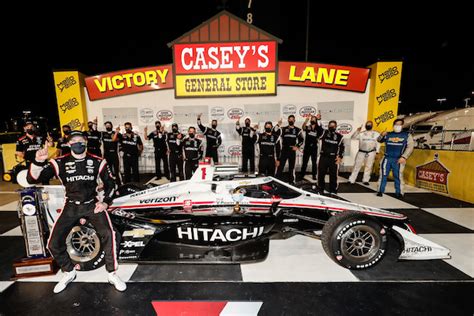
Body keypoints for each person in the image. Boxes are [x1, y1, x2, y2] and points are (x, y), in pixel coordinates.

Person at [26, 130, 126, 293]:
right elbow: (32, 180)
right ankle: (69, 271)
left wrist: (106, 203)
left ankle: (112, 273)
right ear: (69, 144)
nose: (77, 143)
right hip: (71, 205)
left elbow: (110, 185)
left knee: (111, 234)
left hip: (92, 204)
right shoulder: (59, 162)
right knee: (53, 242)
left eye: (80, 140)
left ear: (85, 142)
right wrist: (37, 161)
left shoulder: (97, 161)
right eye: (73, 140)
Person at [377, 118, 414, 197]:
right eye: (396, 124)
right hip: (387, 158)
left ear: (402, 125)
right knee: (383, 175)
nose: (397, 126)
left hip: (399, 159)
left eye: (399, 124)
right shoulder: (388, 134)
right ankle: (380, 191)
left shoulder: (407, 135)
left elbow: (410, 147)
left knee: (398, 176)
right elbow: (379, 140)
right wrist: (381, 135)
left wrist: (404, 157)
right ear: (393, 125)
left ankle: (400, 192)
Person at [348, 121, 380, 185]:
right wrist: (357, 131)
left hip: (371, 152)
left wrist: (377, 152)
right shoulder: (361, 133)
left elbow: (378, 143)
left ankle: (366, 180)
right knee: (356, 166)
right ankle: (351, 179)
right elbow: (353, 138)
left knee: (368, 166)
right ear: (365, 126)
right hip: (361, 152)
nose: (368, 125)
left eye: (370, 124)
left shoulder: (376, 134)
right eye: (367, 124)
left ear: (372, 125)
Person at [318, 120, 344, 195]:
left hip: (333, 158)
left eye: (333, 126)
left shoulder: (340, 136)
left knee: (333, 175)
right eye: (330, 125)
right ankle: (320, 189)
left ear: (336, 127)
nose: (332, 127)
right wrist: (319, 120)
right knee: (321, 174)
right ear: (328, 126)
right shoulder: (324, 133)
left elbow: (342, 147)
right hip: (323, 157)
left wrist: (340, 157)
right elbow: (318, 128)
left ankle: (333, 191)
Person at [275, 115, 304, 184]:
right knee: (280, 166)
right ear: (288, 120)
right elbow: (275, 132)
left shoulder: (298, 130)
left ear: (294, 120)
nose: (291, 120)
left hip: (292, 150)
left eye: (292, 119)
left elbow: (302, 140)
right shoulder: (283, 129)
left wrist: (297, 146)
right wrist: (278, 124)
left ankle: (292, 182)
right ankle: (276, 181)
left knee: (292, 167)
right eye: (290, 119)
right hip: (284, 149)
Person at [299, 114, 323, 181]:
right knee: (304, 162)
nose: (312, 120)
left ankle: (314, 175)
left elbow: (322, 132)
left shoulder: (318, 128)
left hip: (314, 148)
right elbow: (303, 127)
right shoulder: (308, 127)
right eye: (311, 119)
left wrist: (319, 119)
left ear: (316, 120)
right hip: (307, 148)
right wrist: (306, 120)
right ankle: (302, 175)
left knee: (314, 163)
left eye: (314, 119)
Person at [102, 121, 122, 185]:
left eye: (109, 125)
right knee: (108, 170)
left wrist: (116, 132)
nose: (108, 126)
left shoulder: (117, 134)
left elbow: (114, 139)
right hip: (106, 154)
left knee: (116, 170)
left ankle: (119, 183)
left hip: (114, 154)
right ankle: (110, 183)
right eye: (106, 125)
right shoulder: (103, 134)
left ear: (111, 126)